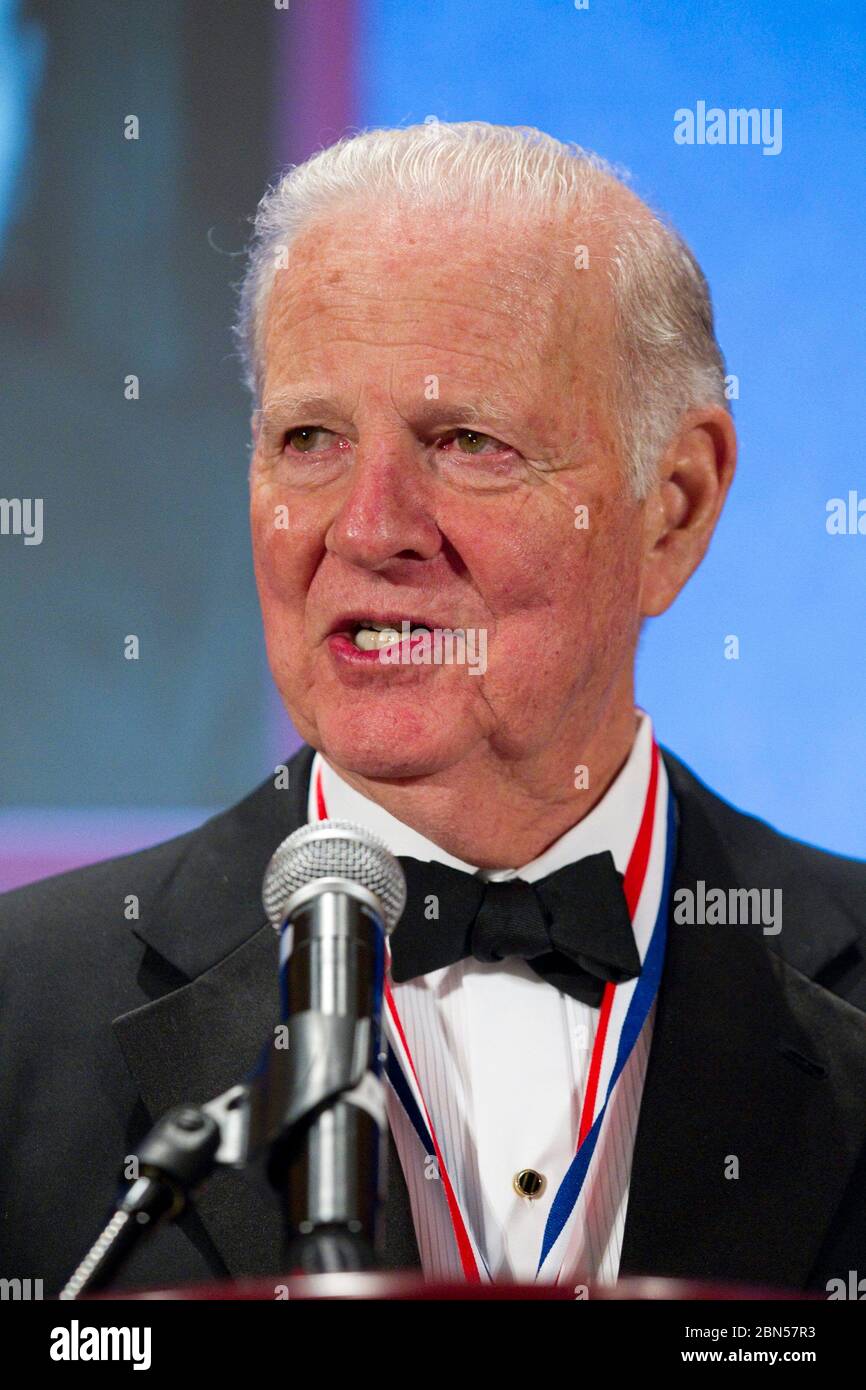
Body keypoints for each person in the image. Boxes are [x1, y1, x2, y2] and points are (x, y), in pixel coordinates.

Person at [2, 122, 865, 1297]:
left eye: (466, 442)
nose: (366, 528)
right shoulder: (18, 1013)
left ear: (672, 505)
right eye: (309, 439)